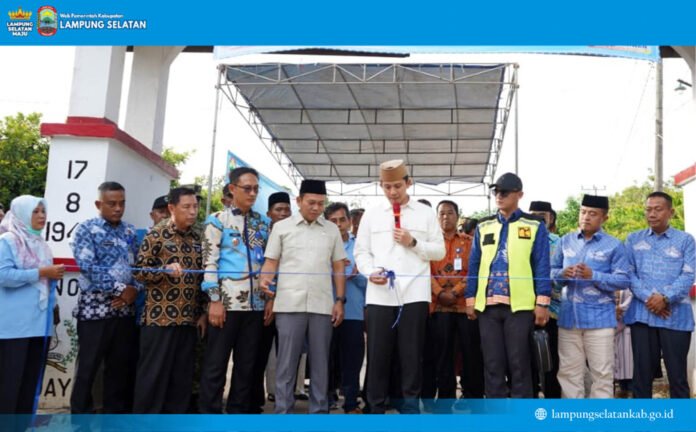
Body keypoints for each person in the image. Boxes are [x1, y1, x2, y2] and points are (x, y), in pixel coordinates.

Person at [354, 160, 445, 414]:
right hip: (379, 295)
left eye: (397, 186)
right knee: (377, 356)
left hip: (414, 295)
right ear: (380, 186)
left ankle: (410, 410)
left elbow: (439, 251)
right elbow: (361, 252)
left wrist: (413, 242)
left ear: (408, 183)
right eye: (387, 187)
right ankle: (375, 408)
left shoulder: (425, 213)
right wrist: (370, 272)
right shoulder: (372, 214)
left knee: (411, 356)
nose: (392, 192)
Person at [260, 179, 346, 414]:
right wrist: (265, 281)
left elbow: (338, 266)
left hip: (322, 305)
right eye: (311, 202)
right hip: (289, 304)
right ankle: (283, 413)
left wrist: (340, 300)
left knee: (320, 363)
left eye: (321, 203)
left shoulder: (331, 230)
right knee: (286, 363)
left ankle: (318, 413)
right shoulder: (281, 228)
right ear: (298, 201)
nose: (316, 208)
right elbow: (271, 262)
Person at [465, 173, 551, 398]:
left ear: (519, 195)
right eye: (496, 192)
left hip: (520, 306)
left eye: (504, 192)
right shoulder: (484, 225)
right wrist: (470, 298)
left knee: (519, 363)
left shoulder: (534, 225)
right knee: (492, 363)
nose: (499, 196)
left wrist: (542, 303)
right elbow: (474, 264)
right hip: (487, 306)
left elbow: (542, 265)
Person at [198, 167, 270, 414]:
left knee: (246, 367)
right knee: (216, 364)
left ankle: (237, 415)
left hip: (256, 305)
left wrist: (270, 298)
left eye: (256, 189)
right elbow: (209, 262)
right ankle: (209, 415)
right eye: (247, 188)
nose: (252, 193)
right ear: (232, 188)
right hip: (226, 305)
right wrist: (214, 300)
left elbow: (270, 263)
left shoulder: (263, 223)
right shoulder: (217, 220)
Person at [131, 187, 206, 413]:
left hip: (188, 320)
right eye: (187, 207)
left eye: (195, 206)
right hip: (160, 320)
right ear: (172, 208)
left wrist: (202, 312)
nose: (192, 212)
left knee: (181, 380)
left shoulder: (198, 237)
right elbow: (139, 272)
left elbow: (203, 277)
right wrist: (163, 269)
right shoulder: (156, 234)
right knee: (153, 377)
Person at [70, 182, 141, 413]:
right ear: (99, 204)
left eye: (122, 203)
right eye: (112, 204)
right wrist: (121, 290)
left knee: (119, 371)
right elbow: (88, 267)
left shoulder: (130, 232)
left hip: (124, 312)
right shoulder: (86, 229)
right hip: (95, 312)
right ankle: (80, 422)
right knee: (88, 369)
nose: (118, 208)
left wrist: (135, 290)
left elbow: (141, 267)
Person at [551, 194, 630, 399]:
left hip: (600, 320)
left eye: (592, 214)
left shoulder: (614, 245)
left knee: (602, 373)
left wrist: (593, 275)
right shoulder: (565, 241)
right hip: (568, 318)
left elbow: (623, 280)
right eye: (583, 212)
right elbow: (550, 272)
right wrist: (562, 274)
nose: (586, 217)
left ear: (604, 218)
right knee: (569, 372)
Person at [624, 191, 695, 398]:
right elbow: (628, 274)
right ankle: (642, 417)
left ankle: (681, 418)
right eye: (648, 209)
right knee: (641, 378)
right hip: (642, 316)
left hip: (675, 317)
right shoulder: (633, 239)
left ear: (670, 212)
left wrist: (665, 298)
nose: (652, 214)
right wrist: (651, 299)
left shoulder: (685, 240)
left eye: (658, 209)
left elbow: (689, 274)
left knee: (678, 378)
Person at [0, 196, 64, 413]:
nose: (41, 216)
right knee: (8, 386)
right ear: (22, 214)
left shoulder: (41, 245)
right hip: (13, 328)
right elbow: (3, 276)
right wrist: (42, 272)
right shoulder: (8, 241)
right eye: (35, 211)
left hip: (38, 325)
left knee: (28, 386)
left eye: (43, 211)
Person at [422, 200, 483, 412]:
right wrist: (439, 293)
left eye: (450, 213)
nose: (445, 217)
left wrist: (455, 291)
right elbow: (425, 271)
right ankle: (445, 402)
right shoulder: (430, 244)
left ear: (458, 216)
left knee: (471, 355)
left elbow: (475, 271)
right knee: (442, 356)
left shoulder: (469, 242)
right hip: (439, 308)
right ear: (436, 217)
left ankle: (475, 401)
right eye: (441, 213)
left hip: (465, 307)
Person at [251, 191, 292, 411]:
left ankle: (284, 396)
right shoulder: (262, 236)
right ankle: (255, 398)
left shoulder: (295, 235)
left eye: (287, 209)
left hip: (290, 303)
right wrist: (270, 298)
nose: (283, 213)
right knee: (259, 351)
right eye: (278, 209)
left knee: (287, 353)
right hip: (264, 303)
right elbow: (262, 269)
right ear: (269, 213)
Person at [325, 202, 368, 414]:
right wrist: (335, 271)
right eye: (333, 221)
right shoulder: (321, 245)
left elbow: (371, 281)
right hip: (324, 310)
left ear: (350, 222)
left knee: (352, 360)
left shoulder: (361, 247)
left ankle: (351, 403)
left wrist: (357, 274)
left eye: (342, 220)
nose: (339, 224)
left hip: (353, 312)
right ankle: (324, 399)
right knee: (325, 358)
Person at [528, 200, 562, 398]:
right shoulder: (522, 240)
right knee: (526, 360)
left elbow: (562, 276)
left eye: (543, 216)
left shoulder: (559, 243)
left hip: (553, 310)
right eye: (533, 215)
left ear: (551, 219)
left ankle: (552, 403)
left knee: (551, 361)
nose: (538, 219)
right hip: (524, 309)